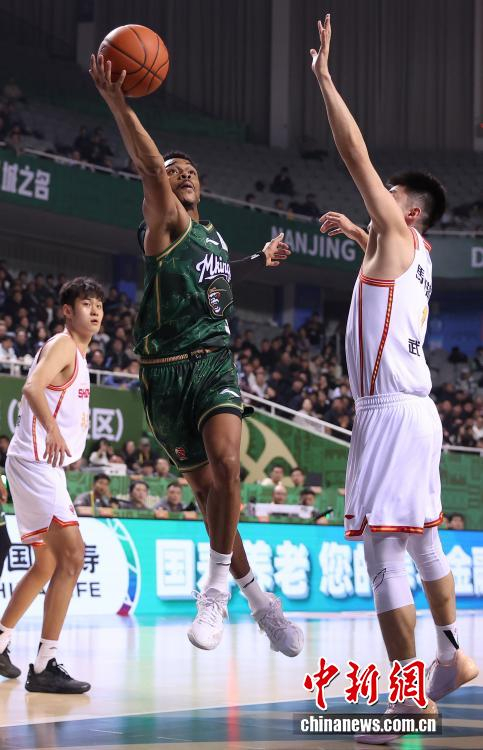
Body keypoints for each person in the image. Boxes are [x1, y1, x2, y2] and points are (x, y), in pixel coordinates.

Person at [90, 53, 303, 657]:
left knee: (229, 467)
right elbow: (149, 168)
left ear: (202, 187)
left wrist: (261, 260)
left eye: (190, 171)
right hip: (163, 376)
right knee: (210, 497)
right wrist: (119, 103)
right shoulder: (163, 225)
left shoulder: (213, 236)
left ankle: (214, 593)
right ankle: (261, 604)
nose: (181, 173)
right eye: (173, 169)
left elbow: (219, 276)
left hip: (213, 362)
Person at [312, 15, 477, 738]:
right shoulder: (418, 254)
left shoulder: (400, 231)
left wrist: (324, 78)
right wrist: (357, 234)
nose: (378, 191)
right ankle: (453, 654)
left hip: (388, 411)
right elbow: (383, 279)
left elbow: (353, 152)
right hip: (416, 411)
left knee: (384, 556)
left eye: (389, 192)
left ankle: (410, 699)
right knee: (421, 542)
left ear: (407, 210)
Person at [0, 277, 104, 692]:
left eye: (98, 305)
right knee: (73, 556)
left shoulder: (79, 355)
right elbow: (31, 387)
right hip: (35, 462)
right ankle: (45, 664)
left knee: (46, 564)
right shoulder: (63, 345)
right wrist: (53, 431)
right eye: (86, 303)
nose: (94, 311)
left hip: (41, 465)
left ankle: (0, 638)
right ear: (67, 311)